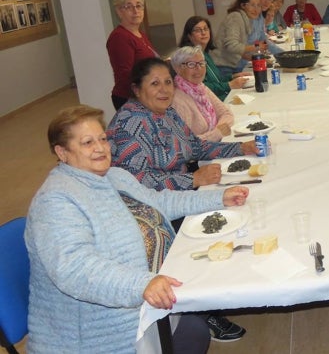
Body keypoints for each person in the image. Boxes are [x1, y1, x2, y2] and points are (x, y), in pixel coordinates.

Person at [25, 105, 250, 352]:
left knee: (195, 328)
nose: (100, 148)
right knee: (192, 334)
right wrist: (141, 284)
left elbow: (160, 201)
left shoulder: (114, 176)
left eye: (102, 139)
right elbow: (75, 269)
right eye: (87, 142)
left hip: (145, 307)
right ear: (62, 152)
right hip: (98, 334)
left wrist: (218, 198)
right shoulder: (56, 200)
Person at [108, 58, 258, 191]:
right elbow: (136, 183)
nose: (164, 89)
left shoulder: (168, 112)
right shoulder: (129, 125)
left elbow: (195, 146)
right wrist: (193, 179)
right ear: (137, 90)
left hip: (183, 192)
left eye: (168, 82)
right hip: (158, 211)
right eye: (155, 83)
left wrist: (240, 148)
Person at [106, 0, 158, 110]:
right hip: (131, 98)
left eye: (139, 6)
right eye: (129, 7)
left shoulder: (140, 34)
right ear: (119, 12)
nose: (135, 11)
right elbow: (125, 75)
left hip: (146, 94)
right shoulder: (119, 37)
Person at [212, 0, 282, 79]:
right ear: (243, 5)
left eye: (258, 6)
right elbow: (231, 46)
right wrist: (256, 47)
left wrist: (255, 58)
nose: (256, 9)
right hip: (224, 67)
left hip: (233, 65)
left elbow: (240, 50)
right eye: (252, 5)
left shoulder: (246, 19)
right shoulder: (235, 17)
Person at [171, 46, 234, 142]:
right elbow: (184, 143)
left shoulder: (200, 87)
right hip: (199, 155)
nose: (198, 68)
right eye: (191, 64)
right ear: (178, 68)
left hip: (212, 147)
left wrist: (219, 130)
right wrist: (217, 133)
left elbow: (226, 113)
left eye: (201, 63)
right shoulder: (177, 100)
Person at [178, 16, 249, 101]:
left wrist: (233, 76)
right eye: (198, 30)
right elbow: (201, 86)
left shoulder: (205, 54)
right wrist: (229, 85)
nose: (203, 33)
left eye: (205, 29)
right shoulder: (189, 58)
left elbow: (216, 80)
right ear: (189, 36)